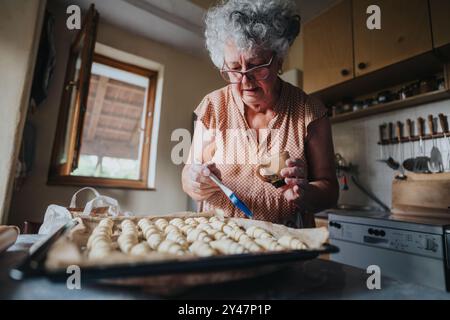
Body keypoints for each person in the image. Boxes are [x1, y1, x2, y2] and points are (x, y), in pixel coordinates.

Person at [182, 0, 338, 228]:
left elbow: (330, 191)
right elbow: (188, 173)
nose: (245, 80)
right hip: (218, 241)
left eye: (256, 66)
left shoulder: (310, 112)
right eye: (234, 68)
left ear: (279, 60)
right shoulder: (213, 107)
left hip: (286, 246)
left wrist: (305, 192)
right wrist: (196, 182)